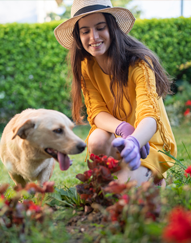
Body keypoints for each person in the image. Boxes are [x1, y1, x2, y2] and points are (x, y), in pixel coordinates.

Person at [54, 0, 177, 186]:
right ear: (78, 37)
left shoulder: (139, 64)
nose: (93, 37)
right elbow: (97, 112)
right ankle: (124, 176)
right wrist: (123, 129)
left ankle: (153, 176)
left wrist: (134, 141)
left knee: (122, 189)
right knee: (96, 141)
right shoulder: (87, 66)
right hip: (116, 135)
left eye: (100, 27)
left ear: (112, 27)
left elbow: (149, 116)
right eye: (85, 31)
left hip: (146, 142)